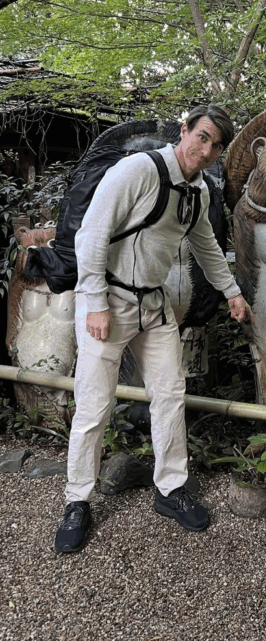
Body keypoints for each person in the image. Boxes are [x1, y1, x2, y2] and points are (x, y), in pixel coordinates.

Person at [54, 104, 254, 554]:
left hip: (155, 306)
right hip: (108, 303)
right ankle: (77, 500)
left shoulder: (198, 191)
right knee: (93, 406)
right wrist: (95, 302)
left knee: (169, 395)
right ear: (184, 131)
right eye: (201, 137)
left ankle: (170, 489)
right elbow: (92, 234)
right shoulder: (137, 171)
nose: (205, 151)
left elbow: (205, 244)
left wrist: (232, 292)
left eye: (215, 145)